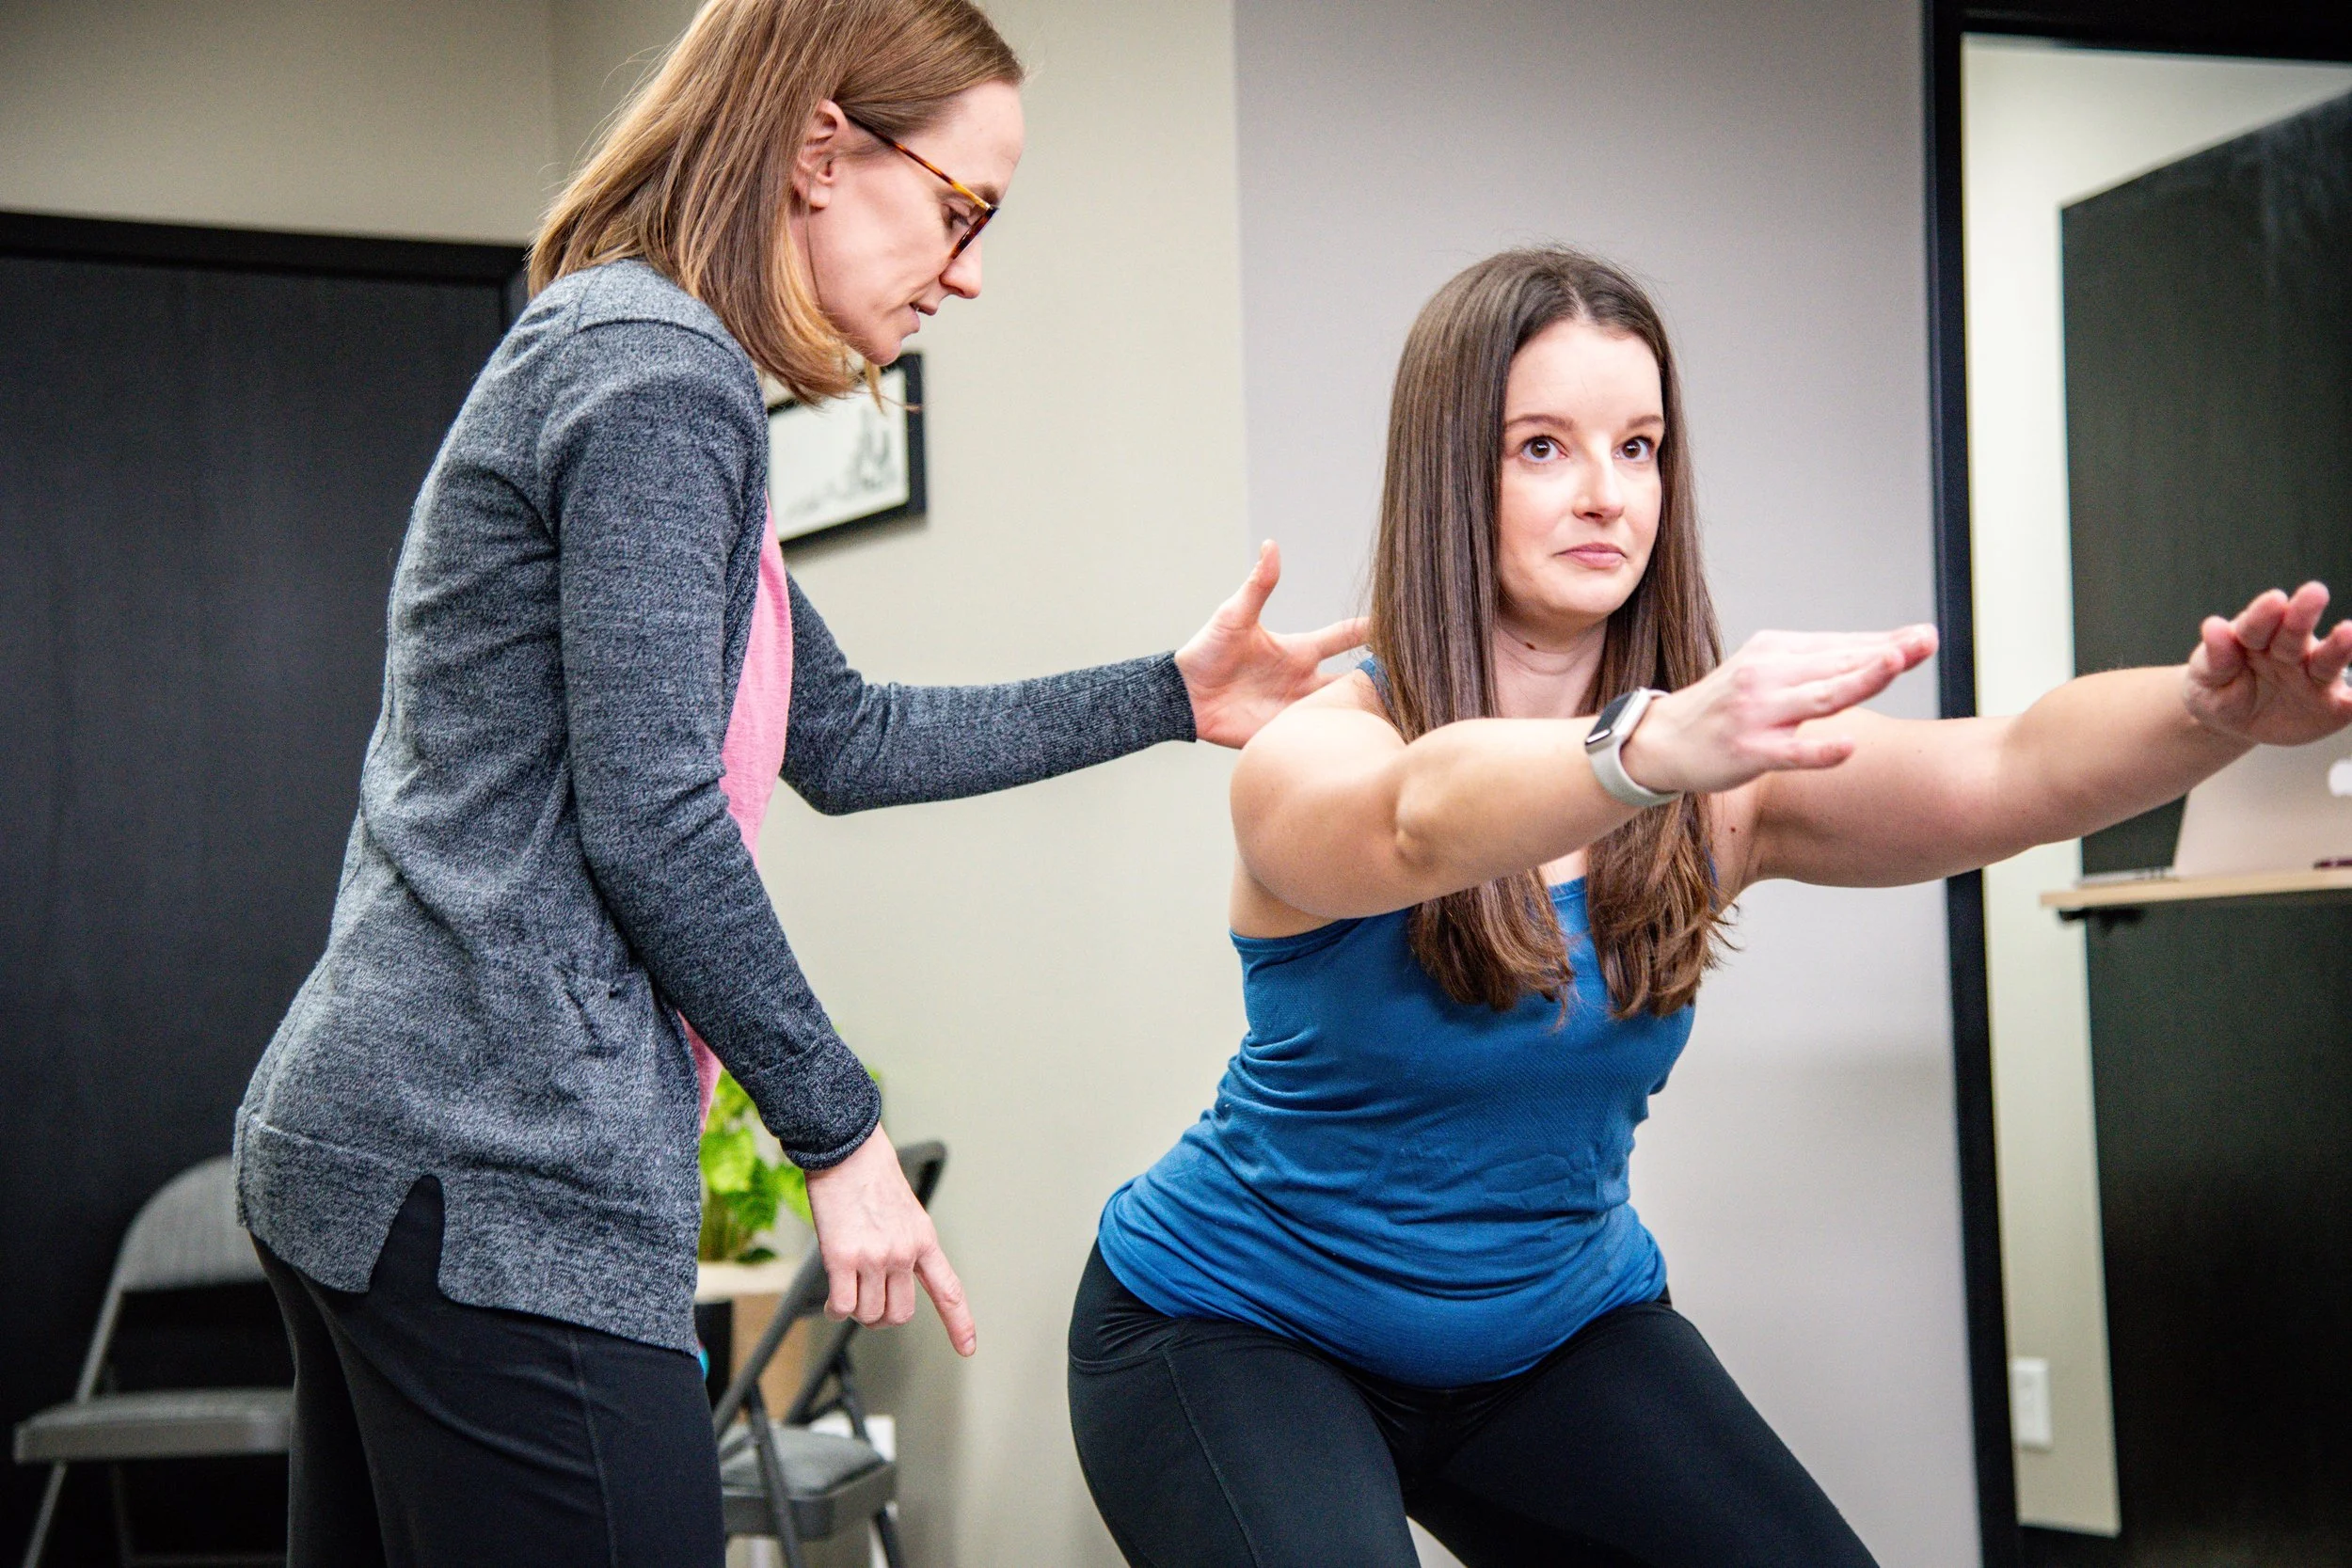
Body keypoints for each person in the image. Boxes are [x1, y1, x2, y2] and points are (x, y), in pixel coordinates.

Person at [230, 2, 1359, 1563]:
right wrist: (840, 1137)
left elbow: (842, 733)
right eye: (962, 212)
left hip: (389, 1139)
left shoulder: (646, 362)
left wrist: (1168, 695)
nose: (969, 269)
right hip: (485, 1168)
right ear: (823, 147)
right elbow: (655, 812)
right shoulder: (658, 376)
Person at [1069, 245, 2352, 1567]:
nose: (1606, 494)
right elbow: (1415, 818)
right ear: (1455, 471)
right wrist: (1641, 751)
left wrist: (2208, 717)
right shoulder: (1324, 748)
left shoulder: (1717, 783)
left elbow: (2010, 766)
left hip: (1547, 1330)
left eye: (1639, 447)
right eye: (1542, 449)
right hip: (1232, 1325)